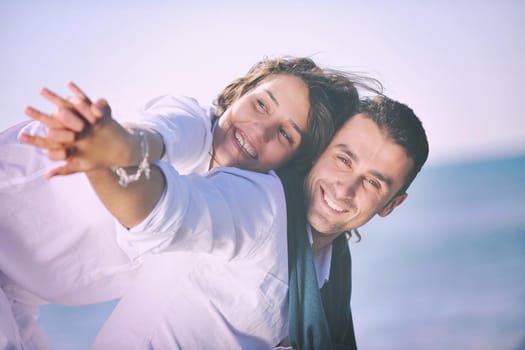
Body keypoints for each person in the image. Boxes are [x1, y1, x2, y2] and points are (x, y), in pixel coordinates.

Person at [0, 57, 363, 349]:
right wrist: (123, 147)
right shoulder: (189, 122)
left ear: (291, 165)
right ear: (239, 93)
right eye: (261, 104)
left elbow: (21, 288)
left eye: (285, 133)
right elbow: (156, 134)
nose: (260, 129)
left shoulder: (225, 210)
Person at [279, 96, 429, 349]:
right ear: (319, 150)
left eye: (373, 182)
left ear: (390, 205)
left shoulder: (335, 267)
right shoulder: (254, 209)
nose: (345, 190)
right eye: (344, 160)